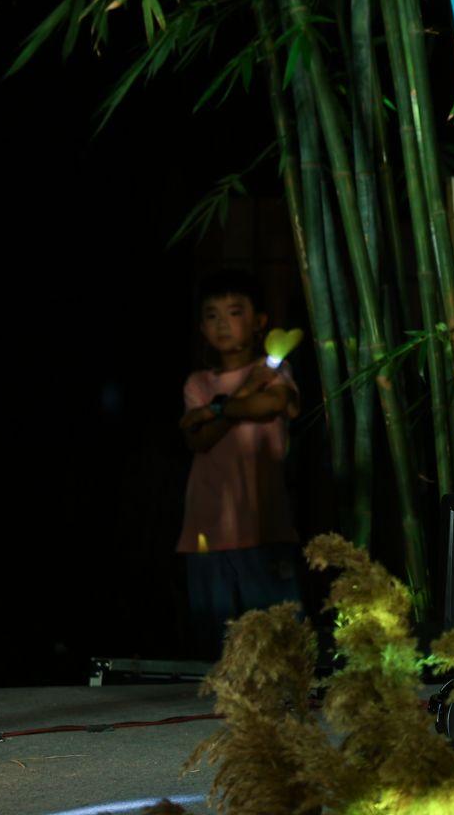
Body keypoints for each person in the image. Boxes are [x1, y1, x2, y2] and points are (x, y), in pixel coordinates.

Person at [175, 269, 302, 658]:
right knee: (216, 647)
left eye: (234, 312)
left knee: (279, 643)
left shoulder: (273, 370)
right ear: (201, 327)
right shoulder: (198, 382)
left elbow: (271, 403)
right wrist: (243, 395)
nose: (222, 324)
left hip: (264, 524)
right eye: (211, 315)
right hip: (207, 527)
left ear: (259, 321)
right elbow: (199, 439)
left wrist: (213, 410)